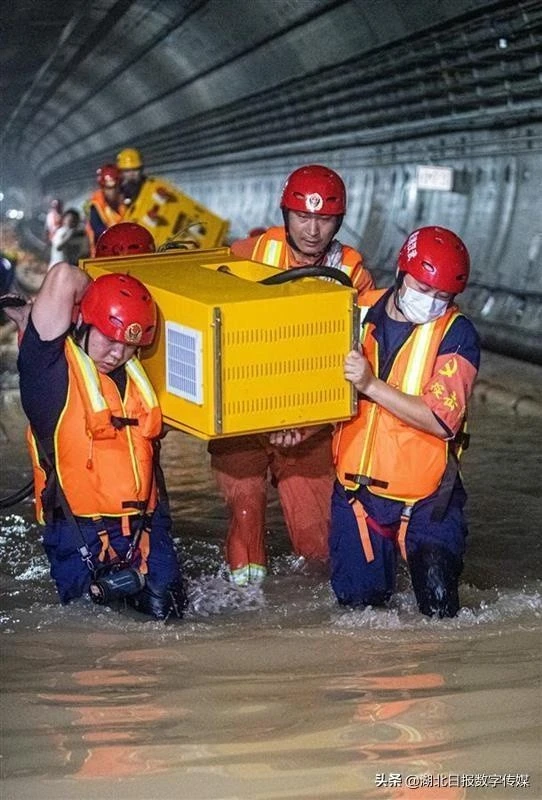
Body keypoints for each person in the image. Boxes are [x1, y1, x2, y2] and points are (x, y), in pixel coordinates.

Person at [209, 165, 375, 587]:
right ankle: (247, 611)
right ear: (286, 214)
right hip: (246, 420)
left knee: (319, 543)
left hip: (312, 426)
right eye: (303, 217)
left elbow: (357, 361)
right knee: (245, 519)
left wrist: (307, 422)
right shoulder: (249, 253)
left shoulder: (353, 273)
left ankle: (313, 616)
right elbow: (217, 335)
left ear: (339, 222)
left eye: (325, 219)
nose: (313, 230)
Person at [3, 251, 184, 620]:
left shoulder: (140, 373)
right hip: (80, 533)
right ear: (84, 320)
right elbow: (64, 276)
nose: (117, 353)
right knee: (95, 633)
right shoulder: (47, 372)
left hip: (147, 530)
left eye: (128, 344)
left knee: (173, 621)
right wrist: (100, 293)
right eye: (109, 338)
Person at [330, 226, 480, 618]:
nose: (430, 302)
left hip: (429, 501)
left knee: (441, 613)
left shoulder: (457, 334)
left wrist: (370, 385)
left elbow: (440, 419)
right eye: (423, 288)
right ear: (401, 271)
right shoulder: (355, 312)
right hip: (358, 498)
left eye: (442, 296)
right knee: (360, 618)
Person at [86, 164, 125, 255]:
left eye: (115, 188)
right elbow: (98, 230)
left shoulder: (126, 201)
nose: (112, 192)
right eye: (108, 188)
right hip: (103, 254)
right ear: (102, 188)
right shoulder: (96, 205)